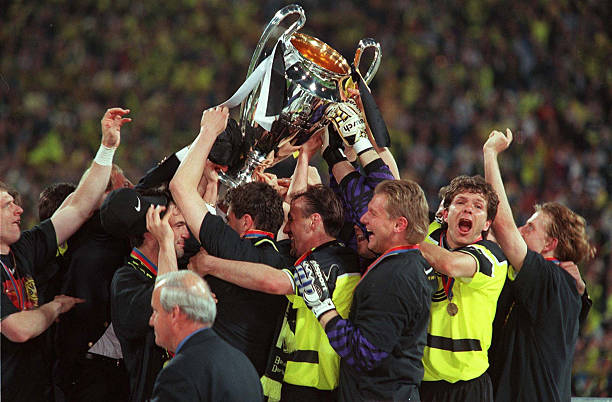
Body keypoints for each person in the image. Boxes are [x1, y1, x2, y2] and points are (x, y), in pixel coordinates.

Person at [0, 107, 129, 402]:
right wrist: (54, 307)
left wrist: (107, 148)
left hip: (40, 390)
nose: (19, 209)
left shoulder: (23, 248)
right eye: (7, 205)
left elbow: (78, 207)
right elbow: (18, 329)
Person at [188, 184, 360, 401]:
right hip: (299, 382)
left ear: (314, 221)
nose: (286, 229)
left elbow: (274, 282)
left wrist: (210, 265)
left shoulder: (329, 262)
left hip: (313, 387)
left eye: (292, 220)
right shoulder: (328, 257)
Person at [296, 179, 436, 401]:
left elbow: (364, 354)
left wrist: (322, 308)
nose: (363, 219)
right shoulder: (409, 262)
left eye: (373, 213)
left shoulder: (394, 277)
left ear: (399, 225)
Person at [483, 129, 596, 401]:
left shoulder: (550, 280)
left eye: (530, 227)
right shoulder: (562, 286)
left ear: (549, 244)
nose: (521, 230)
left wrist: (490, 155)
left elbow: (503, 226)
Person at [418, 175, 508, 402]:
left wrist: (407, 240)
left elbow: (451, 265)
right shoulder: (430, 234)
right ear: (445, 213)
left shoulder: (492, 257)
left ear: (486, 224)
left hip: (467, 385)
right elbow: (396, 189)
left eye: (478, 206)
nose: (468, 209)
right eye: (460, 202)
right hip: (421, 381)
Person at [106, 188, 189, 402]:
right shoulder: (125, 281)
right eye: (178, 226)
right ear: (151, 231)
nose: (186, 234)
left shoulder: (179, 266)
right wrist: (166, 243)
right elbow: (168, 300)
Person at [149, 270, 263, 402]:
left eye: (156, 311)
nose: (151, 321)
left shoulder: (180, 372)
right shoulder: (243, 363)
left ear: (175, 313)